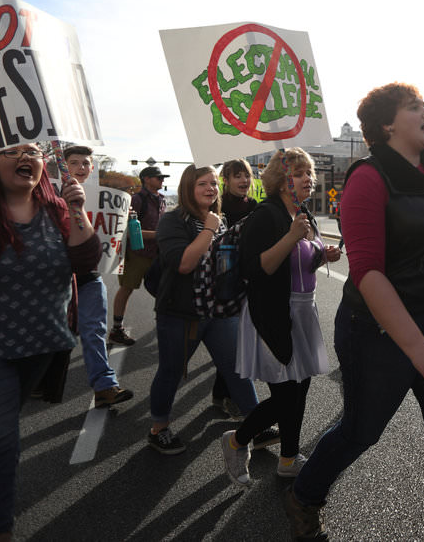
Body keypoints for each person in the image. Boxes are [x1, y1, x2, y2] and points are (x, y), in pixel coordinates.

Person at [284, 11, 424, 542]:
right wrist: (417, 347)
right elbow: (369, 273)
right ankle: (306, 492)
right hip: (381, 332)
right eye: (414, 106)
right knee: (361, 430)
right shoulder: (368, 179)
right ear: (386, 127)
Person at [0, 142, 100, 540]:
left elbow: (86, 262)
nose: (25, 158)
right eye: (10, 151)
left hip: (35, 350)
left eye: (34, 152)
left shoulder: (57, 208)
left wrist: (77, 208)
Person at [219, 148, 342, 487]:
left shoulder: (303, 214)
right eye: (301, 173)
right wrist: (290, 237)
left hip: (304, 309)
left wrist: (322, 254)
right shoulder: (267, 215)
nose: (309, 179)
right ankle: (236, 440)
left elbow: (303, 262)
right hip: (274, 314)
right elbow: (258, 269)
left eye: (310, 173)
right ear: (282, 180)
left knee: (300, 389)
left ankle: (288, 458)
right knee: (286, 395)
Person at [147, 164, 259, 455]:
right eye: (202, 184)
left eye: (213, 183)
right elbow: (184, 263)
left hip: (219, 311)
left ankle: (256, 424)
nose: (211, 188)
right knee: (171, 370)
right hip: (181, 313)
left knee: (237, 368)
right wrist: (209, 228)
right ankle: (158, 428)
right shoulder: (173, 221)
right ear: (188, 188)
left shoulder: (218, 220)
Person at [63, 145, 135, 409]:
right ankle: (37, 382)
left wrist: (124, 221)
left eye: (85, 163)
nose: (81, 168)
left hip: (90, 277)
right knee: (55, 336)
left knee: (94, 331)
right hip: (58, 278)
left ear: (92, 168)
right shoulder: (48, 195)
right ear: (64, 166)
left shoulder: (103, 198)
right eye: (74, 163)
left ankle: (105, 387)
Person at [211, 158, 260, 420]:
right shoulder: (216, 205)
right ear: (225, 180)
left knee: (239, 341)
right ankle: (230, 396)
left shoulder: (254, 206)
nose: (243, 181)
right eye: (237, 176)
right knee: (231, 342)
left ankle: (222, 394)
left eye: (247, 176)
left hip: (248, 278)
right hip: (221, 281)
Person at [111, 165, 168, 345]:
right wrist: (158, 235)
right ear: (146, 179)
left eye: (162, 178)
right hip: (136, 254)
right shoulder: (136, 199)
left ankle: (164, 326)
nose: (162, 180)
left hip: (156, 255)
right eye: (158, 177)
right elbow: (127, 230)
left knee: (163, 290)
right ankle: (116, 329)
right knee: (126, 289)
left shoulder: (162, 199)